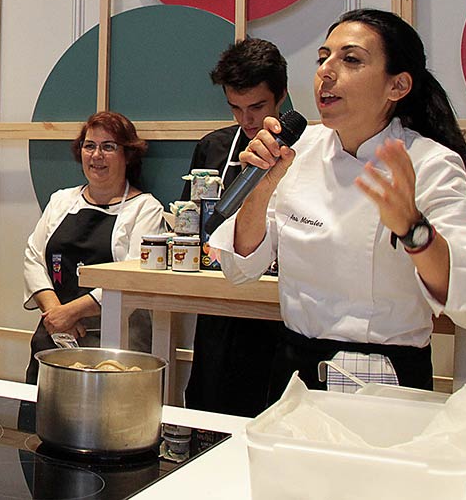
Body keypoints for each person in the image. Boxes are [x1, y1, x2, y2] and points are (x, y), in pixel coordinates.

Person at [209, 8, 466, 399]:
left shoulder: (431, 164)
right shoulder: (298, 148)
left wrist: (413, 229)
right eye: (322, 58)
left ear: (397, 86)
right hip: (294, 372)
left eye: (350, 59)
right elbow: (240, 267)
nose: (326, 72)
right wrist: (262, 186)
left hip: (385, 379)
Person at [181, 38, 288, 416]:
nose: (248, 120)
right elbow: (189, 222)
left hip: (280, 310)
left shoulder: (307, 149)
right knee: (211, 404)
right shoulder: (212, 147)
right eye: (236, 108)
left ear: (281, 95)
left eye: (257, 107)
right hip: (220, 301)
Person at [21, 111, 165, 384]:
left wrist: (72, 312)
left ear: (128, 155)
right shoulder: (62, 200)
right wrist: (57, 314)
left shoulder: (145, 208)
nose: (96, 155)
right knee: (42, 420)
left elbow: (134, 276)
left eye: (108, 147)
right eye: (90, 146)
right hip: (53, 334)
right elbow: (34, 257)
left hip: (115, 341)